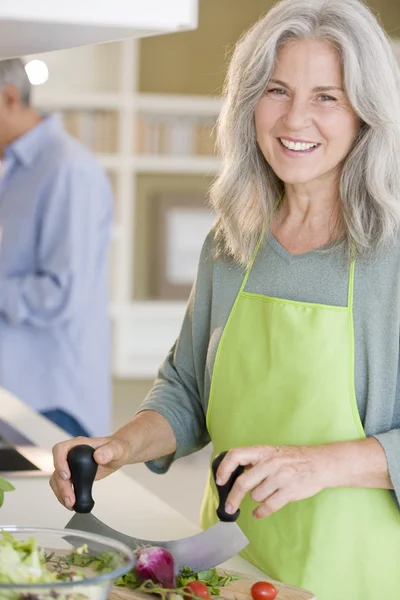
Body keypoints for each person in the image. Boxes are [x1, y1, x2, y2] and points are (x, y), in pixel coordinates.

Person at [50, 0, 400, 598]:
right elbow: (187, 389)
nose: (295, 119)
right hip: (231, 568)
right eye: (276, 90)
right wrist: (119, 446)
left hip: (361, 572)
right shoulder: (232, 239)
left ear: (367, 113)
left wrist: (321, 465)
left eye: (327, 96)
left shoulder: (389, 253)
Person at [0, 58, 113, 438]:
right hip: (18, 393)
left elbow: (62, 293)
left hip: (49, 401)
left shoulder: (68, 169)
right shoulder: (16, 171)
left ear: (10, 97)